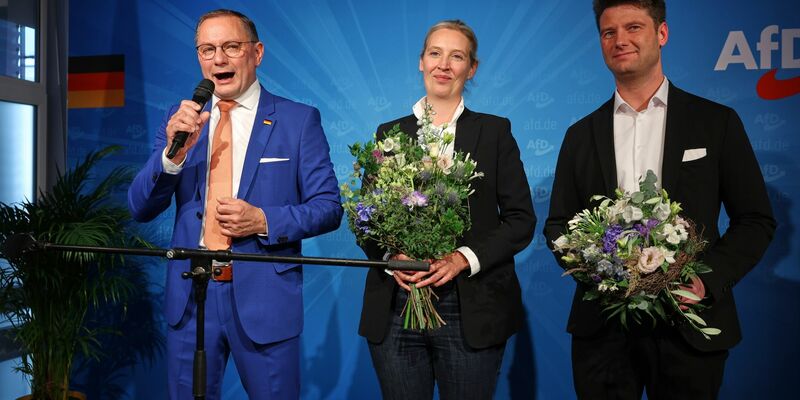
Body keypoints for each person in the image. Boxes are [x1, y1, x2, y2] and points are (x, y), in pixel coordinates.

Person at [544, 1, 776, 398]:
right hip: (604, 329)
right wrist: (599, 272)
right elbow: (558, 225)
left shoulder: (715, 121)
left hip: (689, 325)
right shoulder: (579, 135)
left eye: (633, 27)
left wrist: (705, 281)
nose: (620, 40)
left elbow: (755, 219)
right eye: (609, 32)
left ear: (662, 33)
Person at [127, 9, 342, 399]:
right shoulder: (181, 121)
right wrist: (172, 157)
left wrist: (263, 220)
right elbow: (140, 207)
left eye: (230, 46)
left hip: (264, 300)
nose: (218, 59)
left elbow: (328, 207)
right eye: (207, 49)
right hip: (191, 300)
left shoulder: (298, 120)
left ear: (256, 53)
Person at [358, 20, 536, 400]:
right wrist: (392, 258)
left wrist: (461, 258)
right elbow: (366, 219)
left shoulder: (495, 132)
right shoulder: (388, 133)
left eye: (457, 57)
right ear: (421, 61)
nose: (443, 64)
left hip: (470, 305)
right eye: (435, 53)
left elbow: (521, 220)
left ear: (471, 69)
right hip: (396, 304)